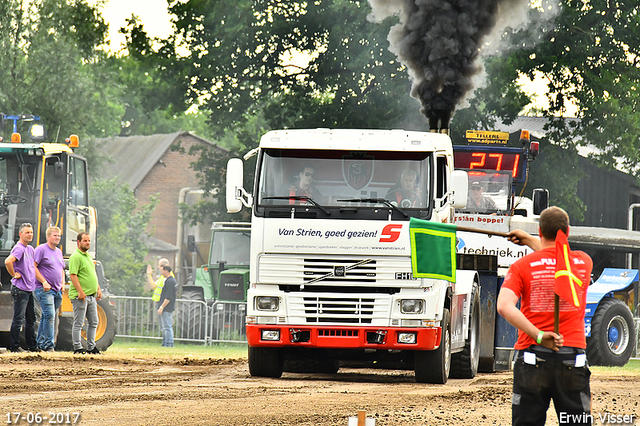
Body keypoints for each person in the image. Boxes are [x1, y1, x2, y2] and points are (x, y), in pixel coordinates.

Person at [497, 207, 593, 426]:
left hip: (532, 357)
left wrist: (539, 335)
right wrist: (531, 240)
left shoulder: (522, 266)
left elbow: (504, 306)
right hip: (572, 360)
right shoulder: (583, 262)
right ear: (567, 231)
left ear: (540, 231)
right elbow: (557, 258)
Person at [5, 223, 37, 352]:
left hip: (29, 289)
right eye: (27, 232)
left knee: (31, 319)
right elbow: (8, 261)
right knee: (18, 318)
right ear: (20, 234)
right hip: (20, 288)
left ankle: (32, 346)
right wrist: (14, 274)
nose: (30, 235)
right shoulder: (19, 248)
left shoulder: (30, 249)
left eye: (31, 232)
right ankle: (14, 346)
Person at [69, 232, 102, 355]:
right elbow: (73, 275)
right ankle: (77, 348)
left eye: (89, 241)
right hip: (81, 297)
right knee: (79, 322)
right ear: (78, 242)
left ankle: (91, 347)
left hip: (91, 296)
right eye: (85, 241)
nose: (87, 243)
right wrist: (80, 292)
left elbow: (92, 274)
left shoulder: (88, 256)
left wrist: (98, 288)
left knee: (94, 322)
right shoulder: (75, 257)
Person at [33, 226, 65, 352]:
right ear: (48, 237)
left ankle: (40, 343)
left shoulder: (58, 252)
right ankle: (49, 345)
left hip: (57, 290)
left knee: (47, 317)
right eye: (55, 235)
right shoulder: (41, 249)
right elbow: (33, 267)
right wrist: (44, 282)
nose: (57, 238)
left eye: (59, 236)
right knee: (50, 315)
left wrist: (62, 283)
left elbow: (61, 269)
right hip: (44, 289)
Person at [157, 265, 177, 347]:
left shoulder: (170, 282)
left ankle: (168, 343)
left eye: (162, 271)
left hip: (166, 308)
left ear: (166, 271)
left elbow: (168, 297)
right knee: (166, 327)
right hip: (168, 307)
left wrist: (162, 307)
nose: (161, 273)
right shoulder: (172, 281)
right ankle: (165, 343)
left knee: (167, 327)